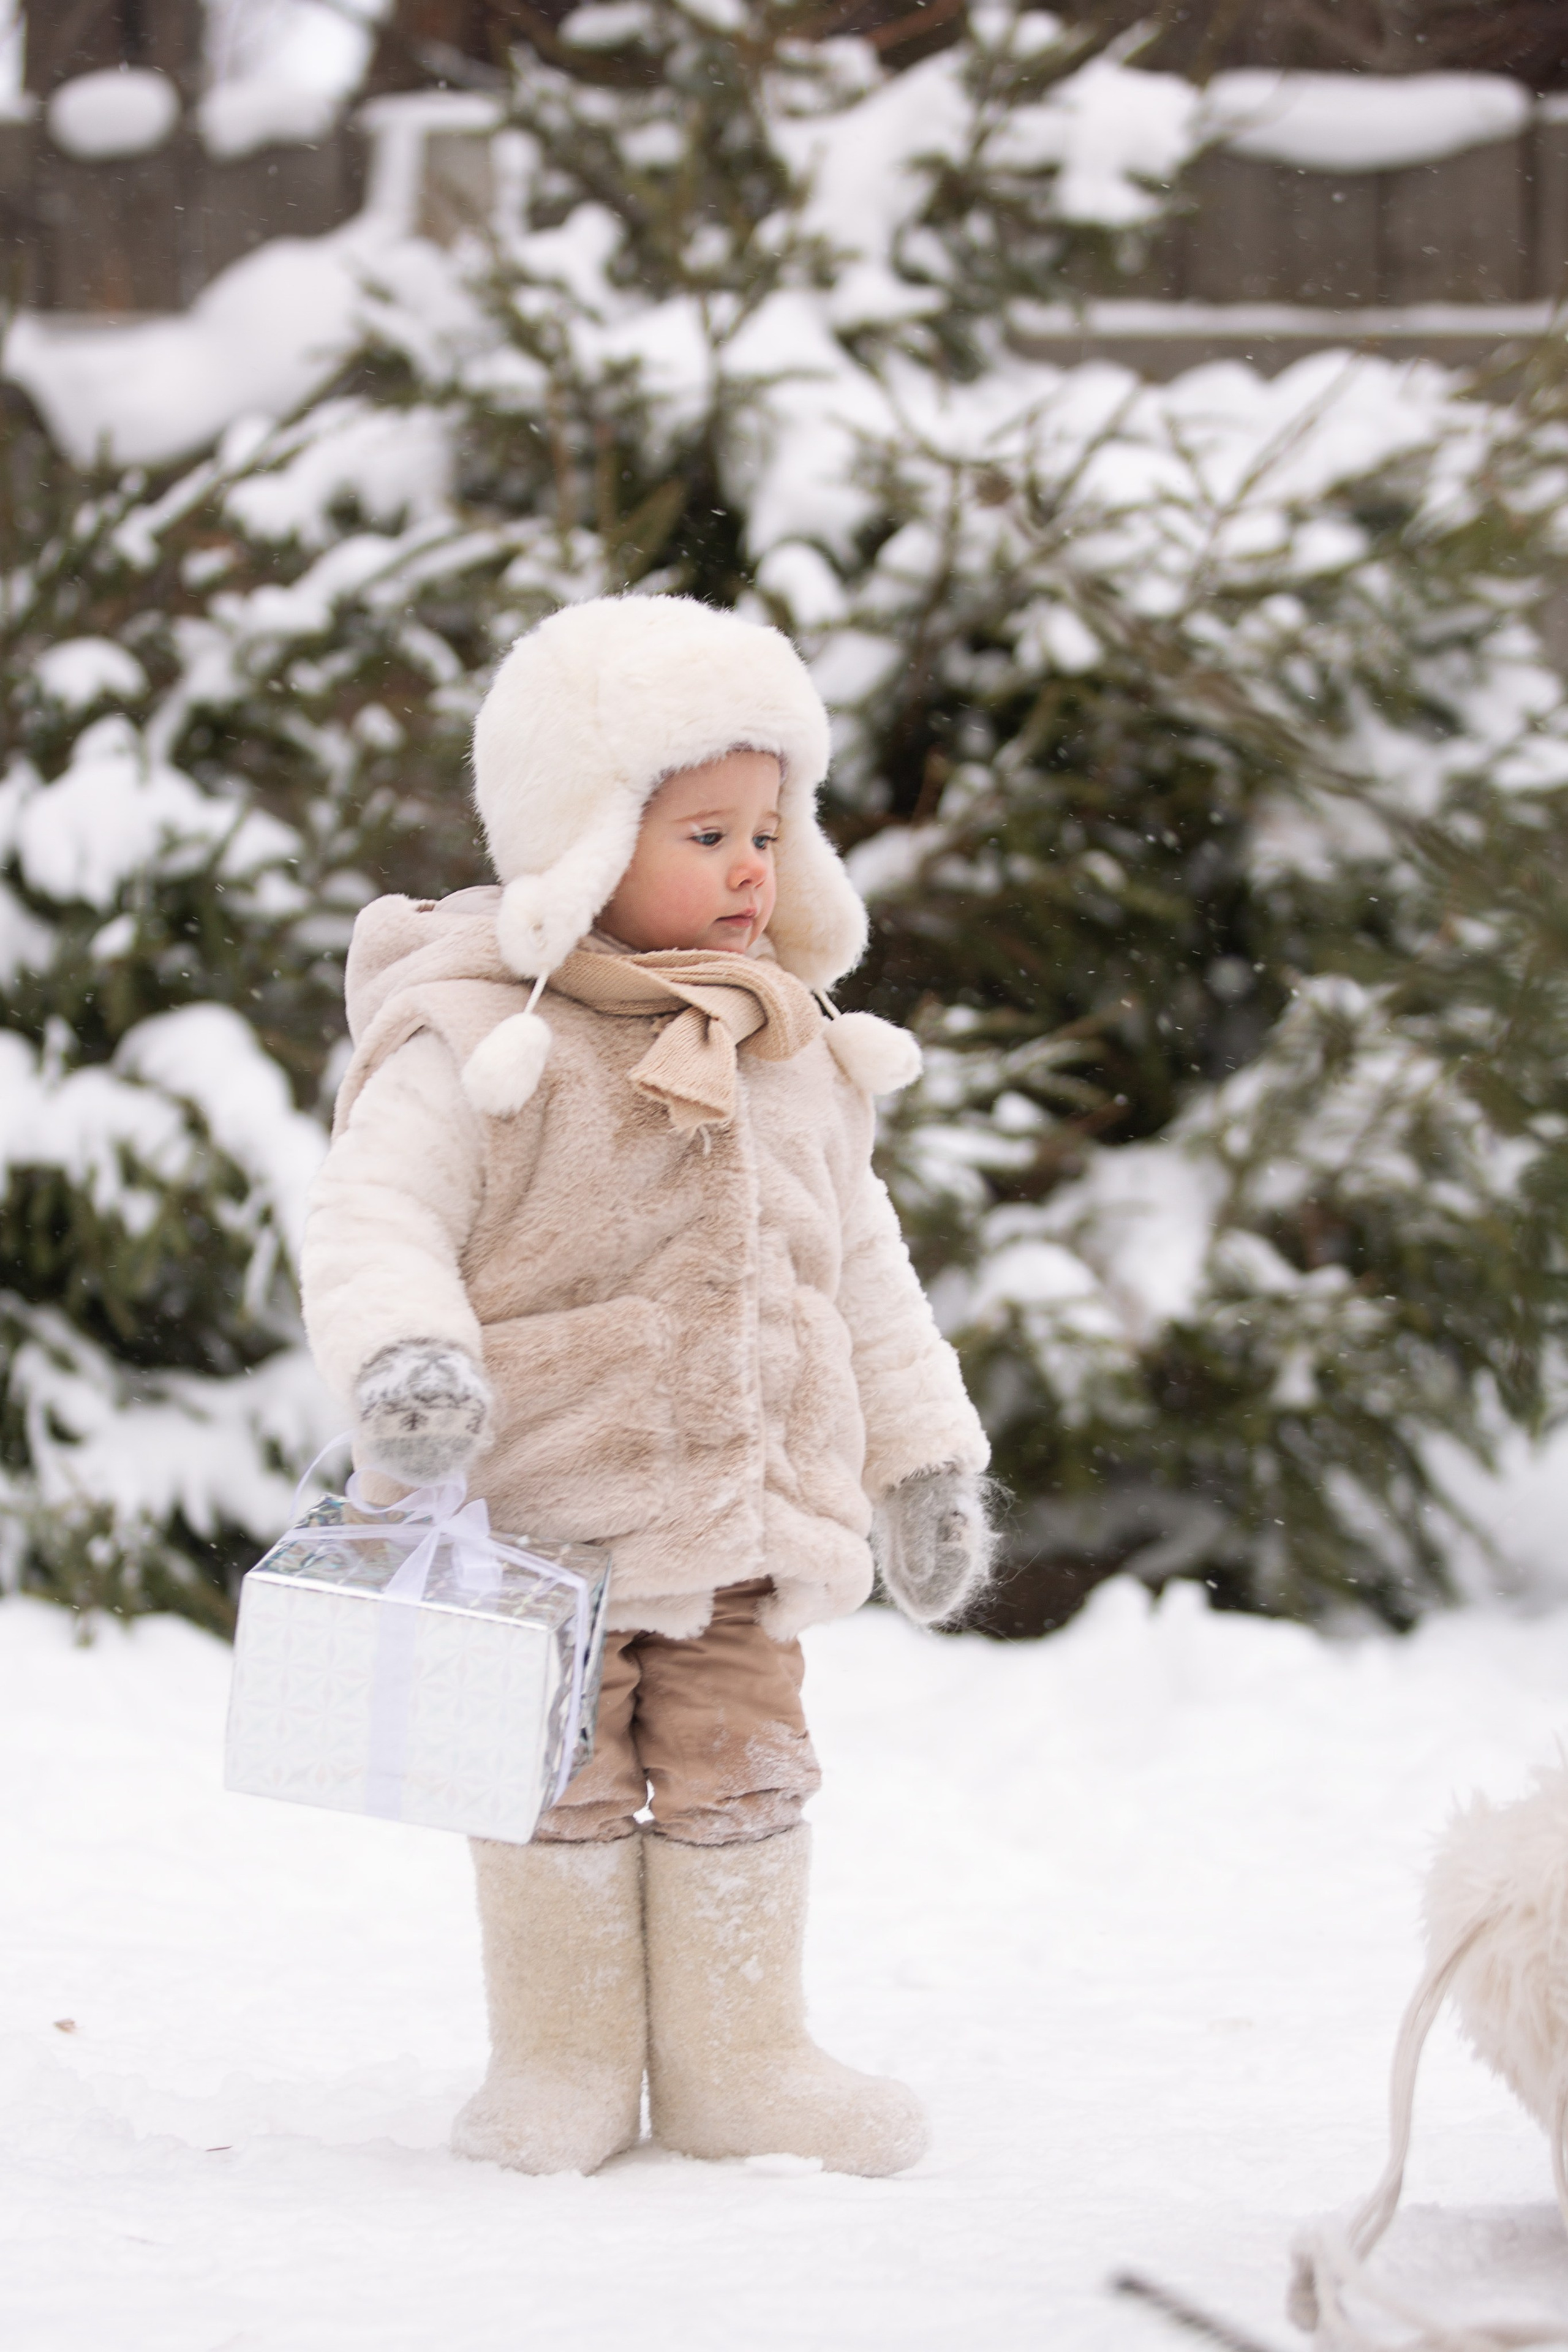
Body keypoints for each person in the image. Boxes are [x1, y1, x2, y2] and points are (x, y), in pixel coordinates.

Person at [300, 593, 994, 2179]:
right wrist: (408, 1358)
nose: (753, 869)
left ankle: (742, 2065)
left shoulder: (791, 1056)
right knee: (552, 1778)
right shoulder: (485, 1043)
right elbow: (375, 1215)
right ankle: (561, 2063)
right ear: (587, 836)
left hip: (741, 1526)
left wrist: (922, 1458)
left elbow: (864, 1276)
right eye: (706, 835)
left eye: (771, 833)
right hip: (543, 1535)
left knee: (747, 1767)